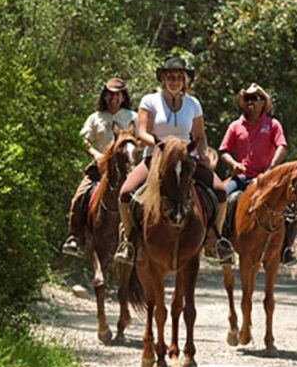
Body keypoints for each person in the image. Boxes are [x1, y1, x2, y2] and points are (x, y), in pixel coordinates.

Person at [114, 56, 233, 266]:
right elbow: (142, 131)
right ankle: (129, 242)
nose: (175, 80)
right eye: (170, 76)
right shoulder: (149, 101)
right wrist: (161, 144)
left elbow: (199, 134)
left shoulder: (193, 104)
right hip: (157, 157)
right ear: (163, 78)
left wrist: (203, 153)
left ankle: (216, 239)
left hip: (187, 159)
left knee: (220, 191)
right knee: (125, 193)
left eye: (179, 77)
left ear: (185, 80)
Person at [219, 83, 297, 266]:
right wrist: (234, 164)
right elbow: (223, 150)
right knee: (224, 197)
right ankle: (223, 242)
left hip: (266, 179)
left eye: (255, 98)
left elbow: (282, 146)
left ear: (263, 102)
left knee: (291, 205)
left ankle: (286, 248)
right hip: (241, 177)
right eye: (247, 98)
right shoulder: (235, 126)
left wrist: (272, 167)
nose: (251, 102)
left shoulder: (272, 124)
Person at [62, 77, 137, 257]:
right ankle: (75, 237)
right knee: (79, 197)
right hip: (100, 169)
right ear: (104, 97)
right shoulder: (95, 118)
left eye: (118, 95)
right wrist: (97, 155)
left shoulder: (132, 117)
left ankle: (143, 241)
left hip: (128, 169)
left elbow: (141, 138)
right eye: (110, 95)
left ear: (123, 97)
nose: (114, 99)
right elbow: (83, 139)